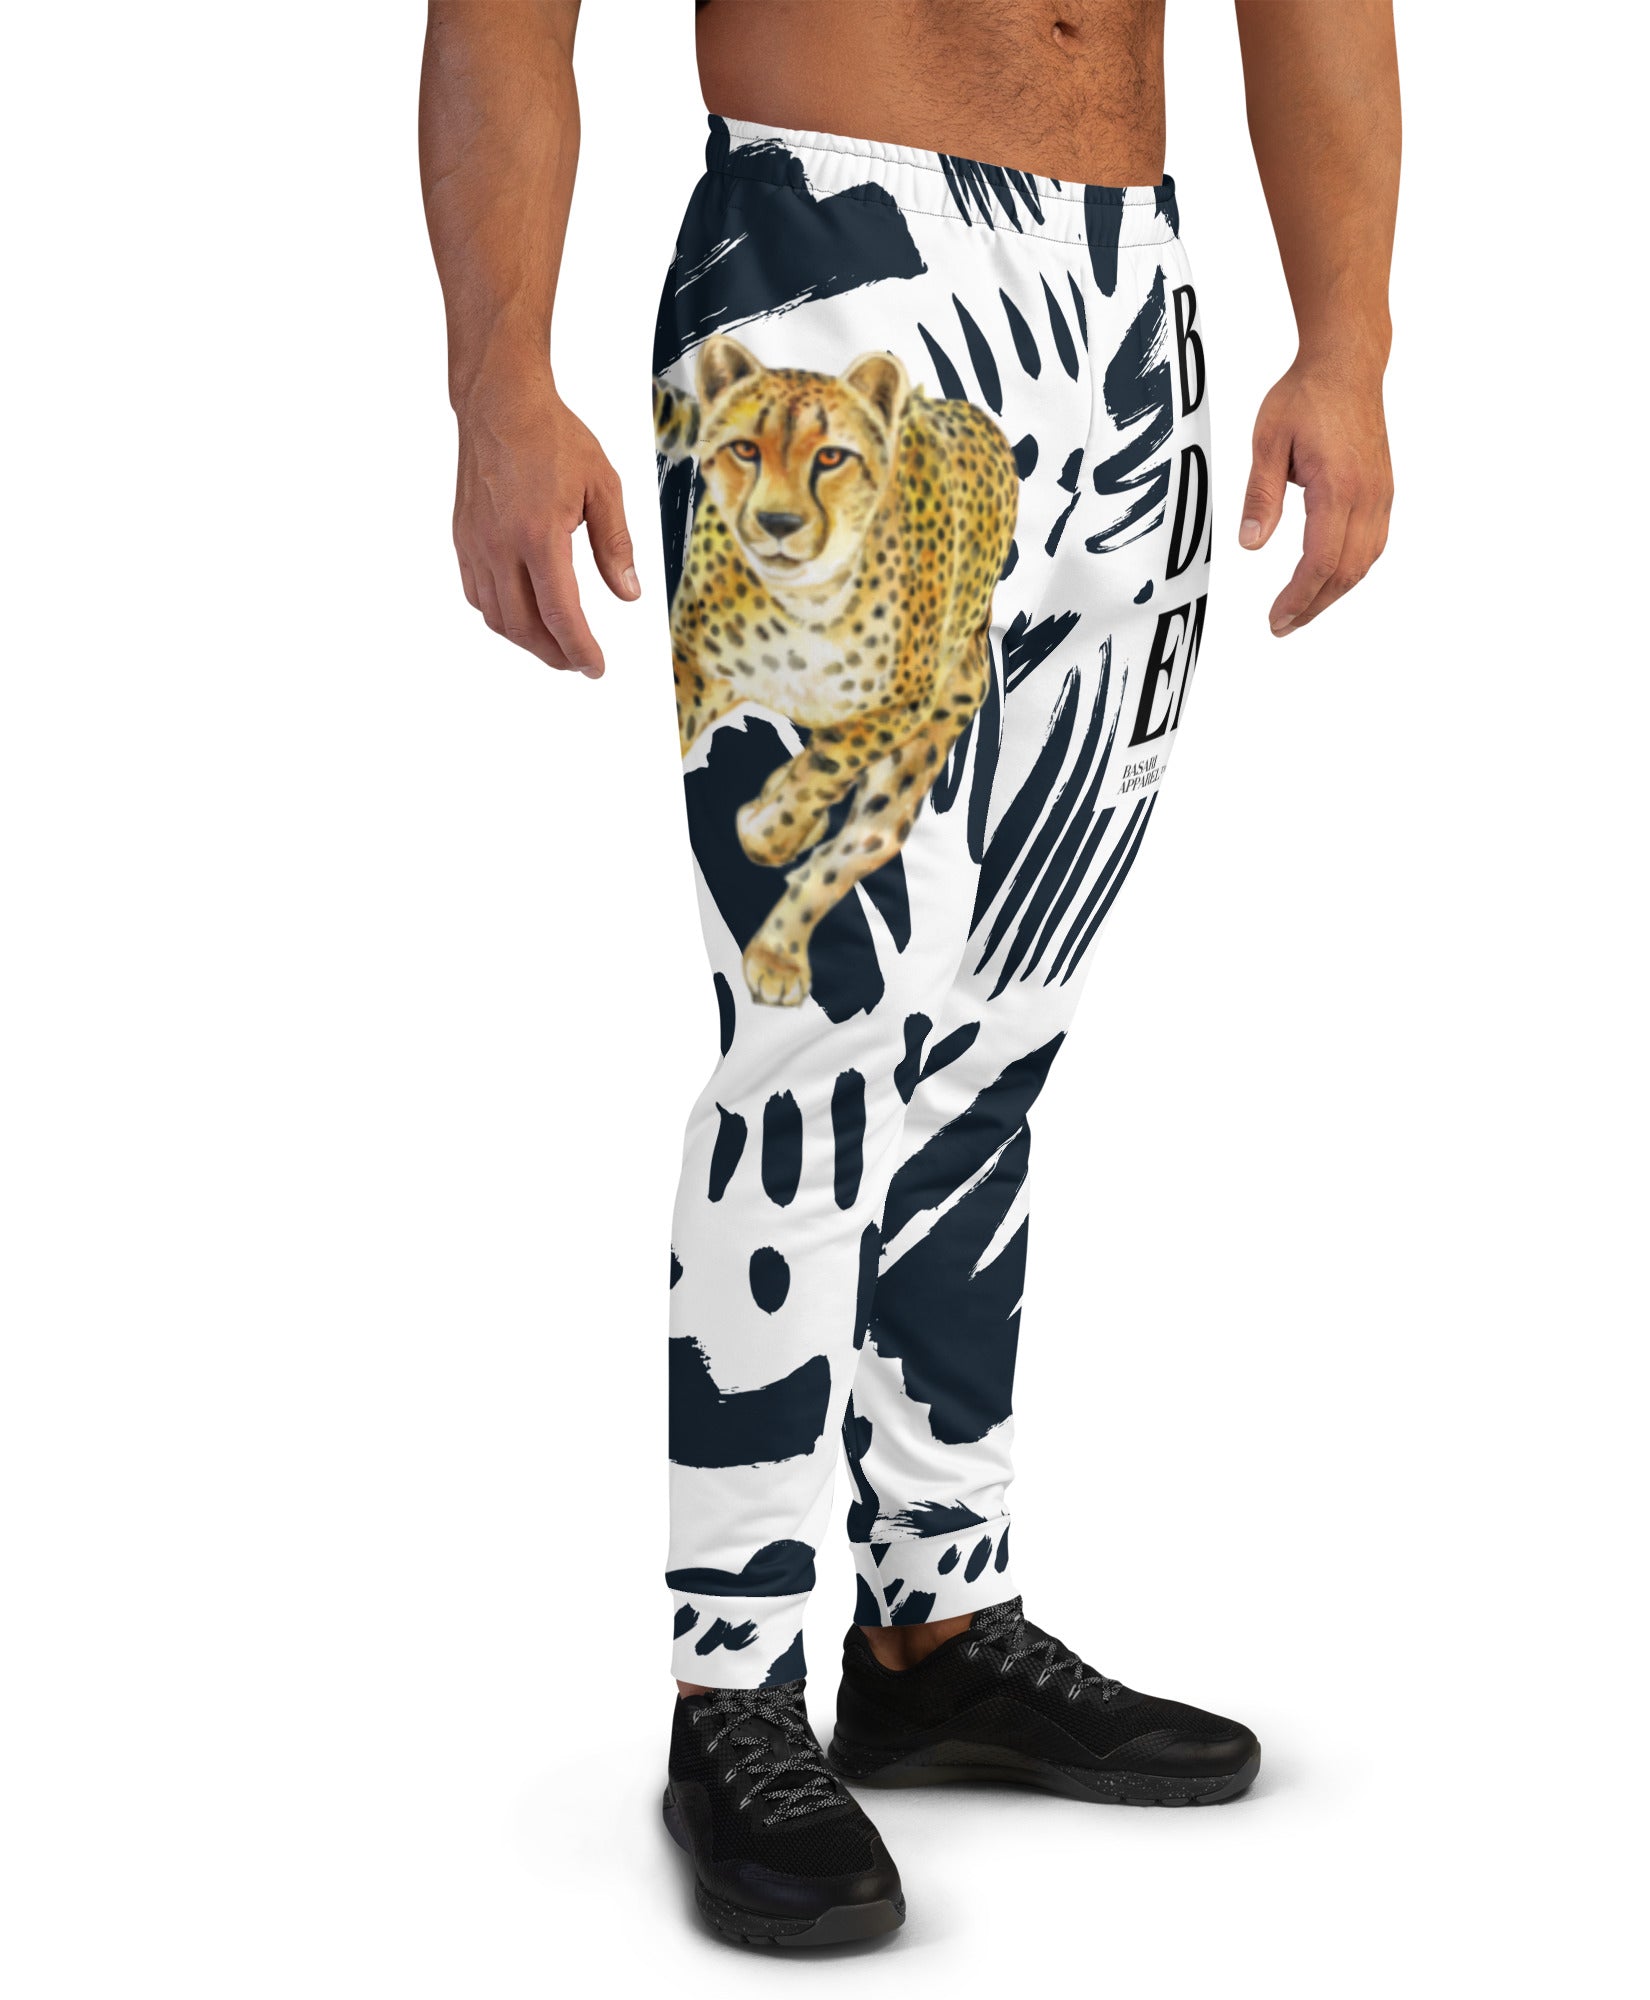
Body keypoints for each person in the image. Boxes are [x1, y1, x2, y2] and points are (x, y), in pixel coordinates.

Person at [419, 0, 1398, 1948]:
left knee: (1002, 1024)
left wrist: (1348, 339)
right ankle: (735, 1679)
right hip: (827, 272)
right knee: (818, 1028)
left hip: (1128, 308)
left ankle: (935, 1623)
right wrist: (498, 384)